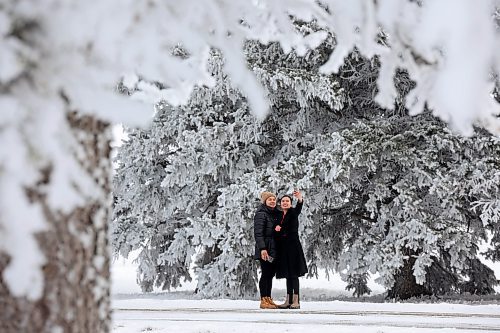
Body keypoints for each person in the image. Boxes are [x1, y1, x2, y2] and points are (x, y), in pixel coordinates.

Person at [274, 190, 308, 309]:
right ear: (280, 203)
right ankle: (288, 300)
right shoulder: (278, 215)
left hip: (293, 246)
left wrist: (300, 199)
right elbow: (276, 230)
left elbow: (299, 208)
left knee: (294, 274)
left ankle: (296, 300)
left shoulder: (293, 212)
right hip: (283, 248)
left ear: (290, 203)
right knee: (287, 274)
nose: (285, 203)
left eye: (287, 201)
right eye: (283, 201)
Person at [253, 191, 280, 309]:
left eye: (274, 199)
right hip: (265, 248)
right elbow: (258, 233)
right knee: (266, 273)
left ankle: (268, 298)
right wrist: (263, 249)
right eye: (270, 200)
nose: (273, 201)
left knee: (270, 274)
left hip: (273, 248)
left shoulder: (274, 213)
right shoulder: (261, 214)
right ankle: (263, 299)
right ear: (265, 201)